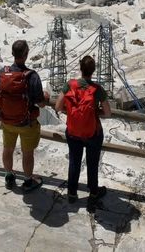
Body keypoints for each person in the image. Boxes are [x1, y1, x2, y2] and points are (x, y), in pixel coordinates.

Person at [0, 40, 50, 192]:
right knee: (27, 153)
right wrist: (45, 96)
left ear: (12, 53)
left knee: (8, 149)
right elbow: (41, 104)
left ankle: (9, 176)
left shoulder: (3, 72)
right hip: (26, 123)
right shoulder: (32, 76)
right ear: (26, 54)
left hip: (7, 121)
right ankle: (28, 180)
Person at [55, 55, 112, 203]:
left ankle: (72, 193)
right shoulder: (97, 89)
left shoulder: (70, 85)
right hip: (92, 133)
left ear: (81, 69)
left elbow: (58, 106)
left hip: (73, 131)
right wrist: (94, 111)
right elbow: (108, 112)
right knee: (92, 163)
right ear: (93, 71)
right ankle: (93, 192)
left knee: (74, 161)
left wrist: (73, 110)